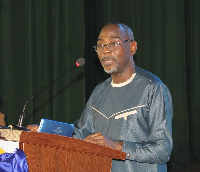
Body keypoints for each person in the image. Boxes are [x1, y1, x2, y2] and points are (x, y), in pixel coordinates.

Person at [73, 22, 173, 172]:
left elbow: (162, 150)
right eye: (100, 45)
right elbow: (80, 134)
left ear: (132, 47)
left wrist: (117, 146)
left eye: (114, 43)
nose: (106, 50)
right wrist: (46, 133)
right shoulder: (99, 92)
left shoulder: (153, 88)